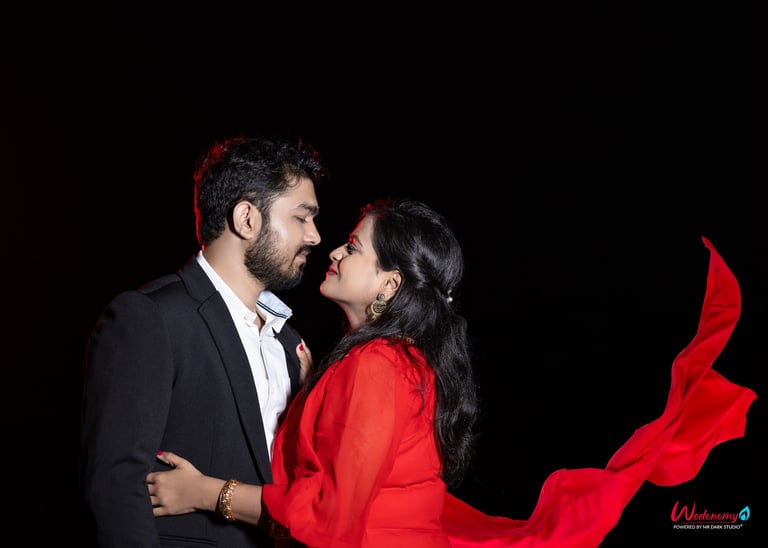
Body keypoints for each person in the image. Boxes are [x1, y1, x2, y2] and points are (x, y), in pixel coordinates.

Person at [146, 199, 757, 547]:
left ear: (390, 283)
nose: (333, 250)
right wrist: (311, 394)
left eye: (353, 247)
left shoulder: (378, 367)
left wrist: (207, 493)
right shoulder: (391, 361)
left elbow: (332, 517)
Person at [80, 135, 328, 548]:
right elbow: (116, 488)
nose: (315, 236)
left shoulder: (291, 344)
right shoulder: (151, 317)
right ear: (247, 219)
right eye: (302, 217)